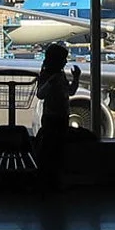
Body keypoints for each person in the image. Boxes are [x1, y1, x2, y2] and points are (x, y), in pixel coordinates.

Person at [35, 44, 80, 190]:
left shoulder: (59, 75)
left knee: (56, 150)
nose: (66, 62)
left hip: (60, 117)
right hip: (52, 118)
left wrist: (76, 79)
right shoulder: (49, 75)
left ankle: (52, 180)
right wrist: (51, 82)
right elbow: (40, 94)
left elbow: (70, 92)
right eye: (64, 59)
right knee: (51, 150)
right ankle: (49, 180)